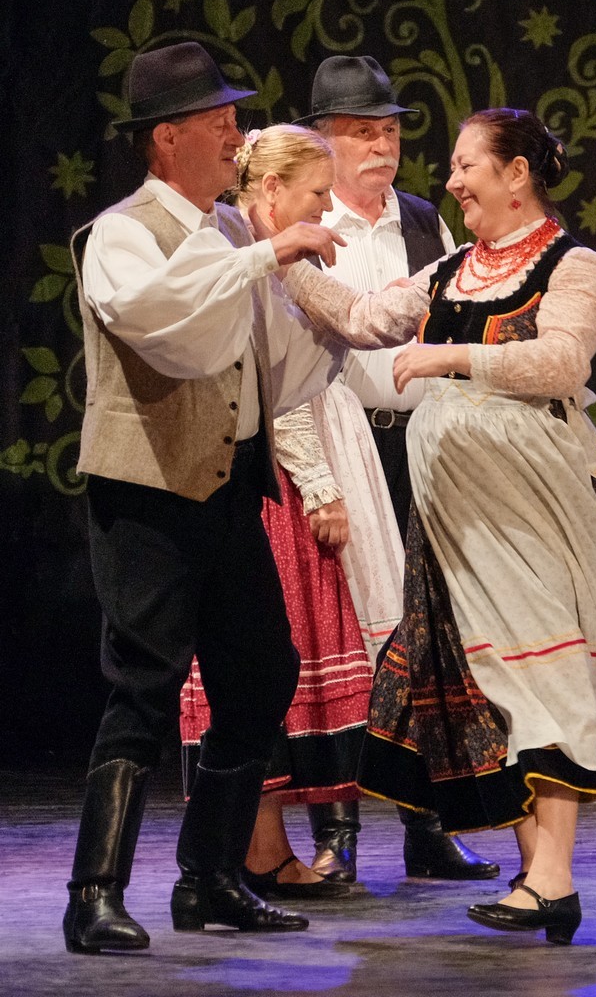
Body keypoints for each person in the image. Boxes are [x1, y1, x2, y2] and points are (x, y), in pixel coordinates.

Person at [282, 107, 596, 944]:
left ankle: (553, 878)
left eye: (468, 164)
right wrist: (282, 255)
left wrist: (454, 357)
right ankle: (539, 875)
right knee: (495, 683)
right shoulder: (450, 270)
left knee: (547, 671)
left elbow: (561, 361)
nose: (452, 181)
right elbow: (364, 319)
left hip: (535, 502)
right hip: (456, 516)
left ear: (517, 175)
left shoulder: (575, 266)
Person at [62, 42, 351, 953]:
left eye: (235, 119)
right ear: (167, 137)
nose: (236, 135)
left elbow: (269, 355)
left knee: (260, 675)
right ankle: (94, 895)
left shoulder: (233, 231)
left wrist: (359, 323)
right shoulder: (119, 234)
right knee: (143, 687)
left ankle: (211, 877)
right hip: (149, 493)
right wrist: (263, 251)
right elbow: (163, 323)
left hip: (230, 490)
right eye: (218, 120)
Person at [295, 55, 493, 884]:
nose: (382, 147)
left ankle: (428, 824)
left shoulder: (421, 220)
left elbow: (453, 323)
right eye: (361, 133)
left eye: (390, 131)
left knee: (427, 636)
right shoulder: (307, 226)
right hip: (345, 444)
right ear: (323, 142)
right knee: (342, 636)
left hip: (418, 441)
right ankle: (337, 832)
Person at [175, 125, 370, 902]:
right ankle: (250, 854)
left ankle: (258, 850)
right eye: (318, 192)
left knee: (267, 671)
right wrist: (319, 484)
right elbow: (270, 388)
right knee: (257, 668)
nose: (327, 206)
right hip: (265, 484)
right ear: (272, 191)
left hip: (272, 477)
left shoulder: (277, 256)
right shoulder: (247, 256)